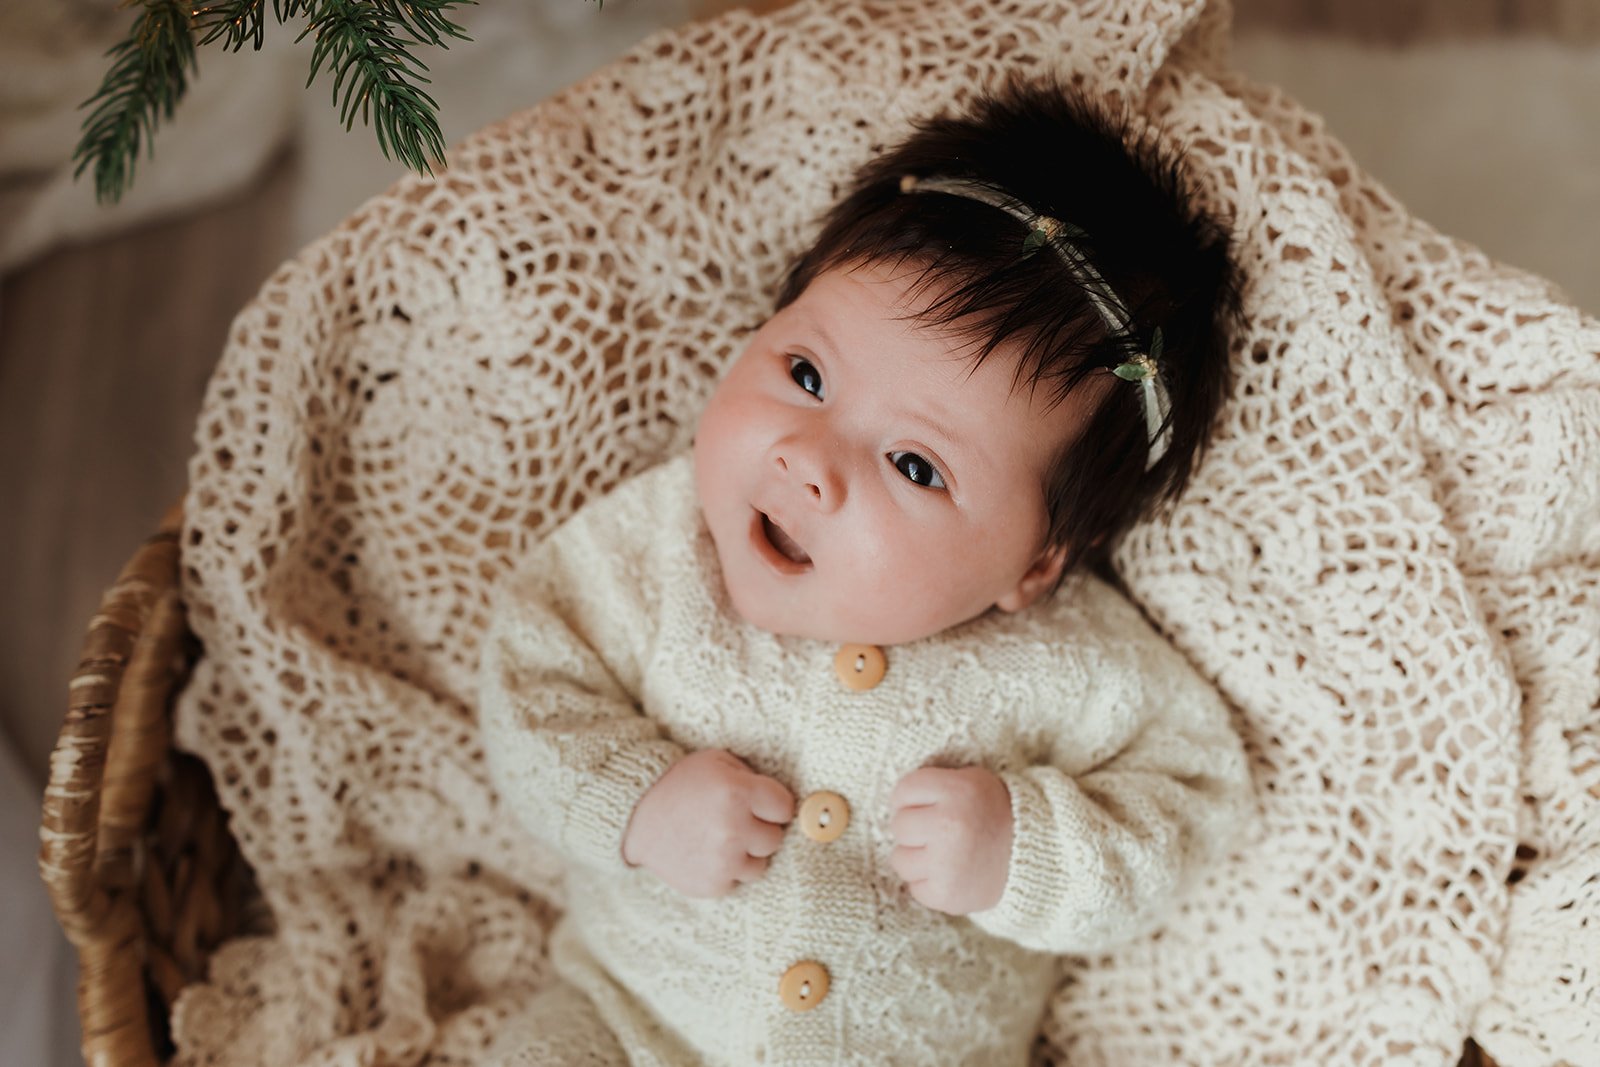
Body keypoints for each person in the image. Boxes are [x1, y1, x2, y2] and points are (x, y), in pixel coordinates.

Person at [477, 77, 1254, 1065]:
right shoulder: (648, 554)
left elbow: (1189, 799)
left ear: (1033, 564)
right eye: (805, 374)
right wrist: (636, 801)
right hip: (631, 1022)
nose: (810, 458)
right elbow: (529, 676)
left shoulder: (1070, 660)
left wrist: (1027, 846)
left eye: (915, 466)